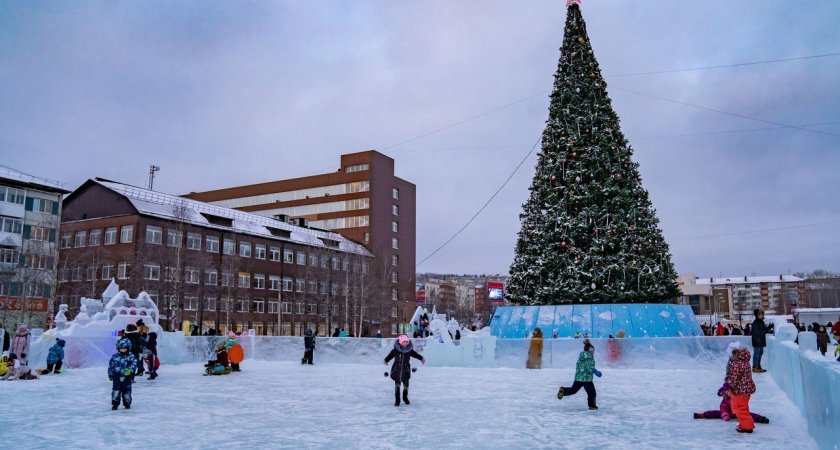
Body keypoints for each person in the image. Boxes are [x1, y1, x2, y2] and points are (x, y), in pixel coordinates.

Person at [694, 380, 769, 424]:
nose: (729, 393)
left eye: (730, 391)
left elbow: (742, 405)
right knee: (715, 413)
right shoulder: (726, 399)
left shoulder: (736, 396)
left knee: (748, 414)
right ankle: (701, 415)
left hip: (737, 413)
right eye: (727, 392)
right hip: (728, 413)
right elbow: (722, 407)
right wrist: (724, 414)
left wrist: (741, 412)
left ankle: (760, 418)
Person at [557, 338, 601, 410]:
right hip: (586, 379)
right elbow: (589, 367)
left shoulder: (580, 358)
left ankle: (563, 390)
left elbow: (580, 367)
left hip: (578, 378)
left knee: (573, 390)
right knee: (592, 393)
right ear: (591, 351)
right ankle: (592, 406)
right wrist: (596, 372)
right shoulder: (590, 358)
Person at [384, 334, 425, 406]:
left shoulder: (409, 350)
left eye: (407, 342)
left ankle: (405, 398)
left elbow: (416, 355)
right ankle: (397, 400)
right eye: (404, 342)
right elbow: (390, 356)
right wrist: (386, 360)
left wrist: (421, 358)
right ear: (400, 342)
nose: (406, 343)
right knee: (397, 387)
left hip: (406, 370)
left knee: (406, 386)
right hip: (397, 370)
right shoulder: (395, 350)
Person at [726, 345, 756, 433]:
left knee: (739, 409)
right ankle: (744, 424)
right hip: (746, 390)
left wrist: (728, 387)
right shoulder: (745, 362)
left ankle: (747, 426)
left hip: (739, 390)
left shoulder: (737, 364)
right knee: (743, 408)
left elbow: (734, 378)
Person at [108, 338, 138, 410]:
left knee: (126, 391)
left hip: (126, 376)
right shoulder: (115, 356)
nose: (123, 350)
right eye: (121, 348)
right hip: (117, 376)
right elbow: (111, 366)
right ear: (118, 348)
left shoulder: (131, 356)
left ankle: (127, 403)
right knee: (116, 390)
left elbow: (134, 363)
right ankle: (115, 404)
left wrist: (130, 369)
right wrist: (110, 374)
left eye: (125, 348)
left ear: (128, 348)